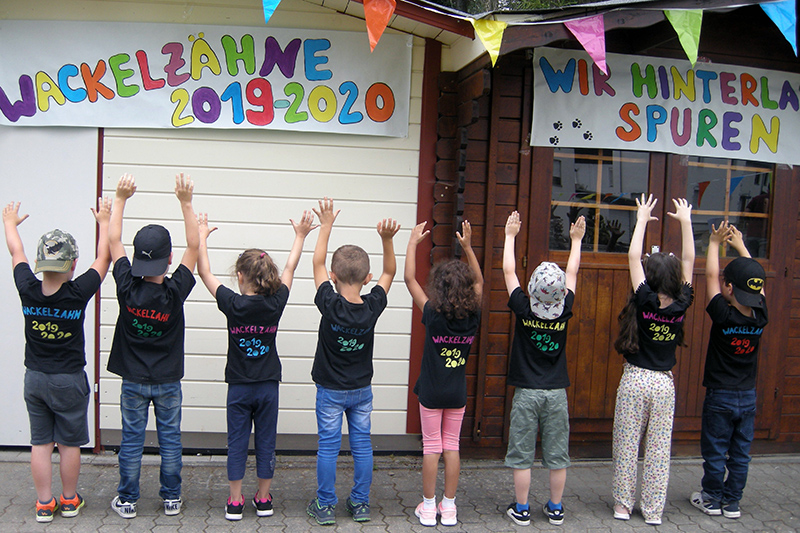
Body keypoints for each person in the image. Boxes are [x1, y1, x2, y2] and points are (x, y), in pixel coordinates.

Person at [195, 211, 317, 521]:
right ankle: (263, 499)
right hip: (267, 388)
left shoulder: (233, 304)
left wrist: (202, 238)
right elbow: (291, 268)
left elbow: (205, 272)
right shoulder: (276, 303)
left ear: (239, 276)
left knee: (236, 442)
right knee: (266, 441)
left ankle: (235, 502)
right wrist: (300, 235)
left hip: (238, 387)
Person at [3, 198, 112, 522]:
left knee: (40, 442)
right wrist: (104, 222)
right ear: (72, 264)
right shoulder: (77, 293)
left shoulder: (26, 287)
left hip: (34, 378)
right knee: (68, 444)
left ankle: (43, 504)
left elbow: (16, 253)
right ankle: (68, 500)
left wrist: (9, 224)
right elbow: (103, 260)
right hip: (67, 381)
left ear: (40, 263)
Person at [106, 173, 199, 519]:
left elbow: (113, 239)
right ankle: (171, 498)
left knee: (131, 439)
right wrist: (186, 202)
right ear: (169, 258)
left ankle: (128, 500)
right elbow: (194, 247)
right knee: (170, 438)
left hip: (132, 379)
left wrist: (120, 198)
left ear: (136, 258)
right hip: (168, 380)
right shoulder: (175, 291)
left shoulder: (126, 285)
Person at [305, 197, 400, 526]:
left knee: (328, 446)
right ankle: (360, 504)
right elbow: (390, 271)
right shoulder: (373, 306)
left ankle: (325, 505)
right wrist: (387, 240)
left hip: (330, 390)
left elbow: (316, 263)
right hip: (361, 390)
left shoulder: (329, 303)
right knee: (362, 445)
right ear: (368, 276)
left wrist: (326, 226)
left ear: (333, 276)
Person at [611, 195, 695, 526]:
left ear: (650, 276)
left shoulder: (644, 299)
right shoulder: (682, 302)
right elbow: (689, 259)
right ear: (675, 279)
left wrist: (642, 218)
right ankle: (654, 511)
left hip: (634, 379)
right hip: (662, 383)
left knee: (626, 444)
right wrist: (686, 222)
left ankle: (622, 506)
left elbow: (632, 256)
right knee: (659, 450)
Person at [503, 210, 585, 527]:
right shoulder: (565, 309)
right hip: (556, 394)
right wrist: (576, 241)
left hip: (526, 392)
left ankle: (522, 509)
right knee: (557, 454)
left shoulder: (524, 308)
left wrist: (510, 236)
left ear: (533, 289)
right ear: (562, 293)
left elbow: (509, 271)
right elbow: (574, 272)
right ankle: (555, 507)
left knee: (522, 453)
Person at [404, 220, 483, 527]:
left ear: (438, 287)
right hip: (456, 393)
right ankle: (448, 508)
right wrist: (467, 247)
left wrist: (412, 243)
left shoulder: (433, 315)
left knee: (431, 447)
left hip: (431, 393)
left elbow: (410, 279)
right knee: (452, 447)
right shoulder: (473, 315)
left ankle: (427, 507)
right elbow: (479, 284)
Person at [690, 222, 767, 520]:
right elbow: (757, 285)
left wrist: (712, 243)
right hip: (748, 396)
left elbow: (709, 275)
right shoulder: (760, 314)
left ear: (729, 287)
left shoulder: (723, 313)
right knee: (740, 453)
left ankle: (711, 498)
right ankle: (732, 503)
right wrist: (741, 248)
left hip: (720, 396)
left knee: (714, 450)